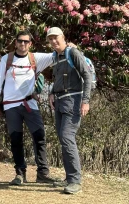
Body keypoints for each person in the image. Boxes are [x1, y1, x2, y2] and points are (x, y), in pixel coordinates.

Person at [0, 30, 56, 185]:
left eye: (26, 41)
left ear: (30, 44)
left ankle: (43, 173)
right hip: (10, 106)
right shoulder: (7, 59)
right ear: (15, 42)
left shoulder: (35, 58)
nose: (22, 44)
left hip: (30, 105)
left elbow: (56, 54)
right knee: (15, 139)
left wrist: (69, 47)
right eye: (20, 41)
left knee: (39, 136)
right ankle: (20, 174)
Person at [47, 27, 92, 195]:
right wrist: (51, 93)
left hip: (73, 101)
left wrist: (85, 101)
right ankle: (69, 177)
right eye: (50, 39)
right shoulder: (56, 57)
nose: (53, 41)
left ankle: (75, 181)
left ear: (63, 37)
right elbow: (57, 79)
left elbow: (87, 76)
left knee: (67, 137)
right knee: (63, 138)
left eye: (55, 38)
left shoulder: (72, 52)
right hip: (59, 102)